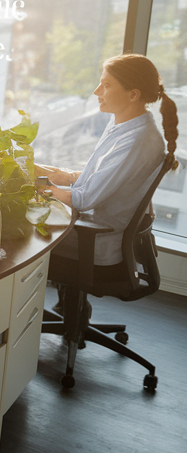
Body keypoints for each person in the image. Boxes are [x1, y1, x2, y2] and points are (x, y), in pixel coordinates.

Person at [37, 54, 178, 283]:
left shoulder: (136, 140)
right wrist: (60, 175)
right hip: (94, 228)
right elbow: (102, 177)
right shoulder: (127, 123)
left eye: (106, 85)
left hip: (93, 240)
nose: (96, 92)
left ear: (133, 94)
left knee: (17, 234)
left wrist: (39, 185)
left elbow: (85, 199)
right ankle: (72, 310)